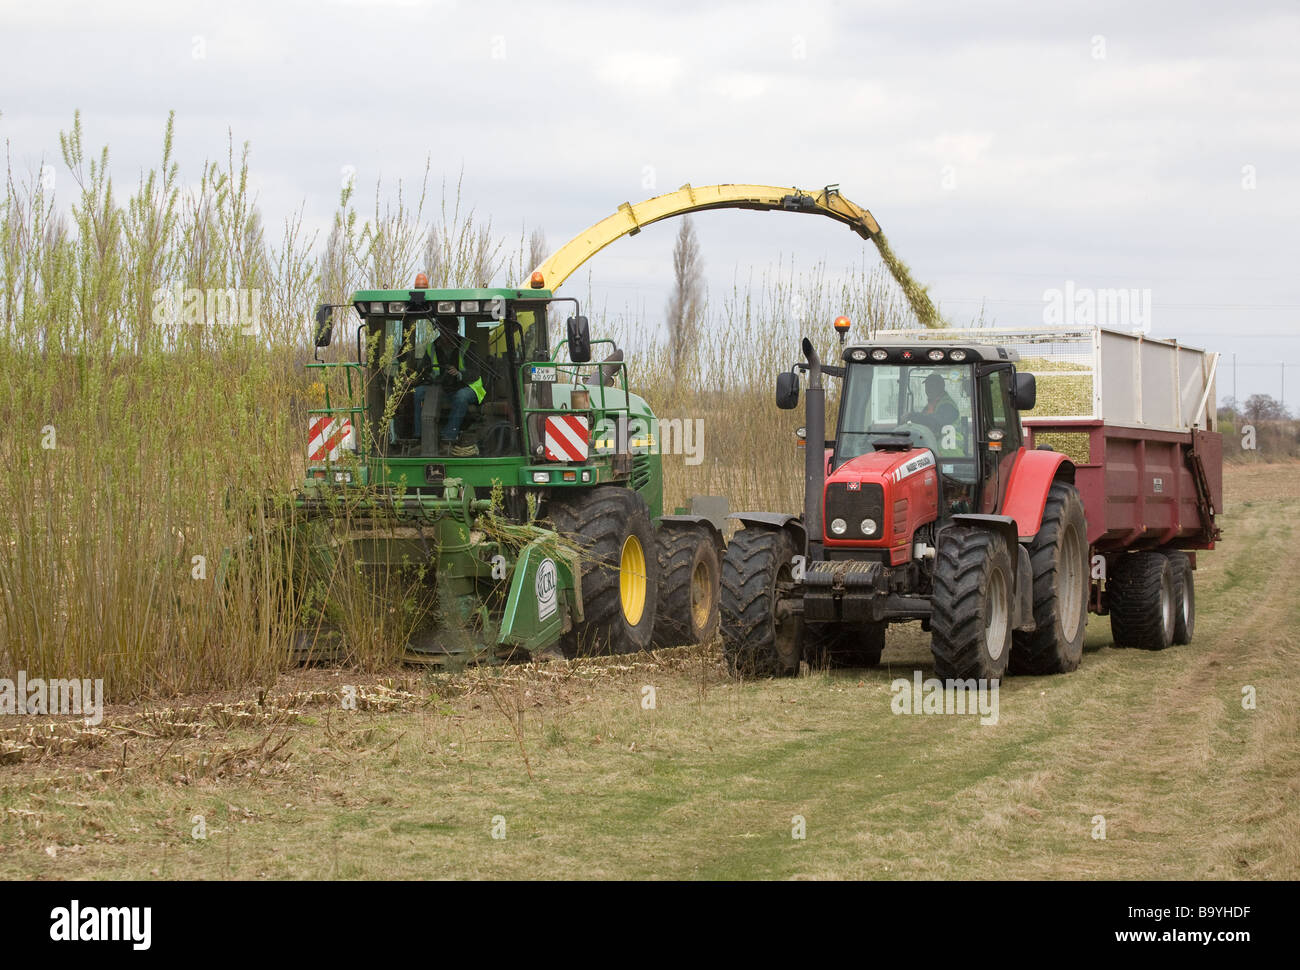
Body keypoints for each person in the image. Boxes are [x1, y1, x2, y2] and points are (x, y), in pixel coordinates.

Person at [432, 321, 486, 456]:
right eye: (443, 330)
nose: (446, 334)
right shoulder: (433, 347)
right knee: (420, 393)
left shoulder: (468, 346)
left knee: (461, 396)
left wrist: (459, 373)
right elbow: (423, 369)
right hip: (444, 387)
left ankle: (448, 437)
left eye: (450, 330)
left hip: (471, 387)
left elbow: (476, 373)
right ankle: (418, 438)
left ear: (456, 329)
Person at [907, 373, 960, 437]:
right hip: (931, 446)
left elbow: (934, 422)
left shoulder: (948, 406)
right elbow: (923, 424)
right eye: (927, 386)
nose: (928, 389)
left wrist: (912, 417)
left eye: (932, 386)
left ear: (941, 387)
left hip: (949, 446)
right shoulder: (930, 406)